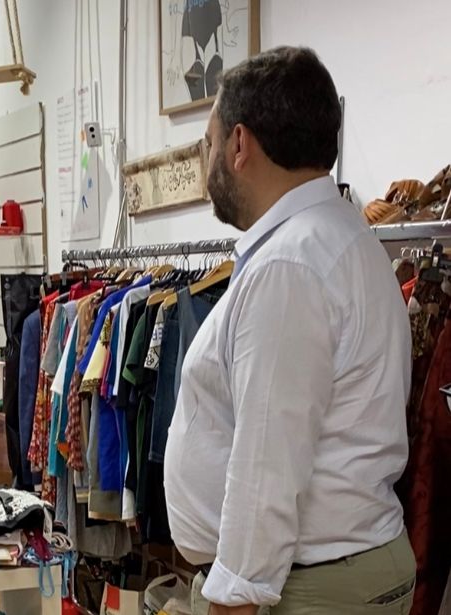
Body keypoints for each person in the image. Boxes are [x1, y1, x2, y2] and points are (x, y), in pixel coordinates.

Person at [164, 47, 416, 614]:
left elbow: (267, 466)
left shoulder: (290, 263)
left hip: (311, 585)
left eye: (208, 143)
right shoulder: (340, 235)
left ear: (239, 145)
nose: (208, 162)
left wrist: (232, 599)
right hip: (338, 570)